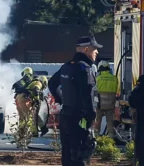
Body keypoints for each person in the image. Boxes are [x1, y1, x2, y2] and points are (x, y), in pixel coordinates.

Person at [48, 36, 102, 166]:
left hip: (66, 115)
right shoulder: (85, 68)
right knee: (80, 154)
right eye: (95, 49)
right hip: (80, 118)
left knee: (67, 155)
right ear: (86, 49)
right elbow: (86, 94)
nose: (97, 52)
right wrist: (91, 115)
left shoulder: (67, 66)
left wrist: (62, 100)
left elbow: (52, 83)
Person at [95, 60, 118, 138]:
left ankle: (96, 137)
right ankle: (110, 137)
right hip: (111, 105)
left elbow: (95, 92)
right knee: (110, 121)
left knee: (98, 120)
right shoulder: (114, 78)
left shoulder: (98, 78)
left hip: (100, 105)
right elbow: (116, 91)